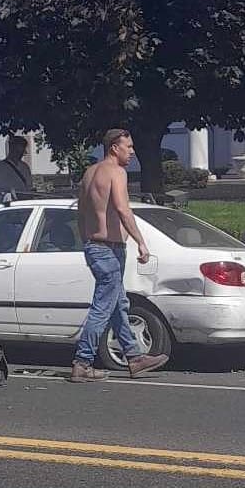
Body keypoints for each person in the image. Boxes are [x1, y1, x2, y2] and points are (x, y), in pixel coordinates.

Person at [70, 128, 169, 383]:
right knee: (103, 307)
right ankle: (82, 362)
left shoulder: (89, 173)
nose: (132, 151)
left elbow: (80, 215)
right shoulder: (116, 172)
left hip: (95, 245)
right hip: (109, 249)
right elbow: (124, 210)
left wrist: (87, 241)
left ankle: (134, 358)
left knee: (117, 305)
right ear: (115, 147)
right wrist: (142, 242)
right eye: (129, 146)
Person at [0, 135, 33, 202]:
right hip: (9, 207)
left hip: (25, 205)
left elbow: (29, 187)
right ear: (12, 148)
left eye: (23, 149)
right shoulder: (1, 167)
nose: (22, 152)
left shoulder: (25, 167)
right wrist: (10, 196)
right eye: (19, 149)